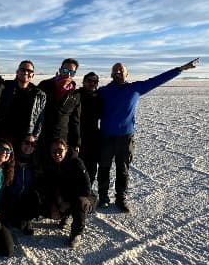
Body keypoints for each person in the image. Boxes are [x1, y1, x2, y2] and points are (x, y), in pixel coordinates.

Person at [97, 58, 199, 213]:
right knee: (104, 167)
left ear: (127, 74)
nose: (118, 72)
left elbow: (157, 79)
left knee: (123, 169)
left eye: (121, 70)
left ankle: (120, 197)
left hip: (125, 138)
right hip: (106, 137)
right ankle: (103, 197)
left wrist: (180, 69)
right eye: (115, 70)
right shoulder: (103, 91)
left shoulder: (136, 88)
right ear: (111, 74)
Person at [36, 138, 94, 248]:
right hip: (64, 197)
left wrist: (68, 203)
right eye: (54, 151)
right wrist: (54, 204)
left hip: (84, 198)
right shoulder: (50, 165)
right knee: (43, 204)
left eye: (60, 150)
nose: (57, 153)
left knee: (80, 203)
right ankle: (65, 215)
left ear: (66, 150)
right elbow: (46, 187)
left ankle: (77, 233)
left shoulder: (76, 163)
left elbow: (86, 190)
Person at [0, 60, 46, 148]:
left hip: (25, 138)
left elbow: (40, 117)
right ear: (17, 72)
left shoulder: (39, 94)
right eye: (23, 70)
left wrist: (35, 136)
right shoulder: (5, 87)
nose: (26, 72)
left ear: (33, 75)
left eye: (30, 71)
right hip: (4, 135)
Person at [0, 134, 40, 235]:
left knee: (21, 225)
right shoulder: (10, 160)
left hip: (25, 199)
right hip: (10, 198)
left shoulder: (35, 163)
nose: (29, 146)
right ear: (21, 143)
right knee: (9, 223)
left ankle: (27, 219)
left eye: (33, 144)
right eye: (26, 143)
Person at [37, 58, 82, 153]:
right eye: (65, 70)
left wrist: (76, 142)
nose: (68, 74)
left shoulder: (75, 94)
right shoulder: (45, 85)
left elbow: (75, 121)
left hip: (62, 138)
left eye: (72, 72)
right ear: (60, 70)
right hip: (42, 135)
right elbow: (35, 110)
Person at [78, 71, 104, 189]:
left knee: (92, 166)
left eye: (95, 82)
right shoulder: (76, 95)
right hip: (77, 136)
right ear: (83, 82)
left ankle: (88, 190)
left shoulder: (100, 97)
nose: (92, 84)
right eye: (89, 81)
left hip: (93, 137)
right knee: (77, 165)